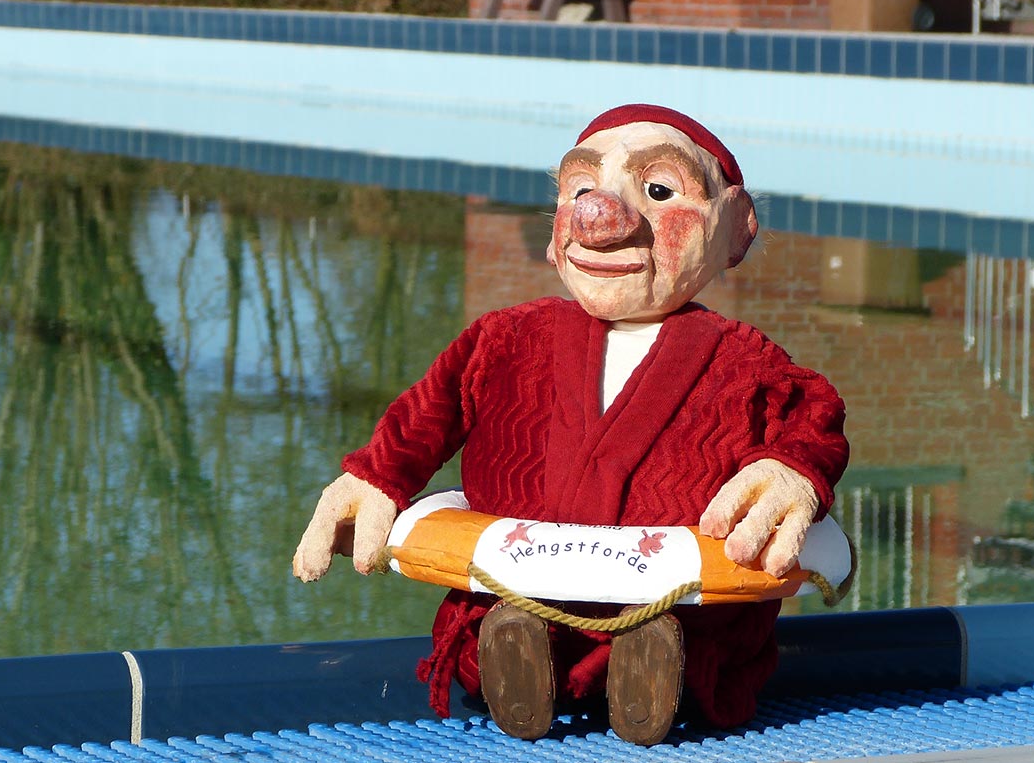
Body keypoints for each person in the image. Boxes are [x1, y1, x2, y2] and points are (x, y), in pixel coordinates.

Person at [293, 104, 849, 745]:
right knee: (499, 626)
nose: (601, 218)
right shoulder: (503, 340)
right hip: (516, 594)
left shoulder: (745, 361)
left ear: (736, 228)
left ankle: (653, 663)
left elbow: (814, 417)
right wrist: (376, 476)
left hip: (684, 621)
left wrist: (789, 470)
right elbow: (428, 413)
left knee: (687, 647)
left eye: (659, 191)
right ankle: (513, 652)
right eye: (581, 190)